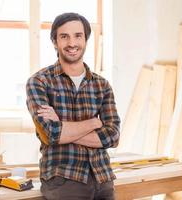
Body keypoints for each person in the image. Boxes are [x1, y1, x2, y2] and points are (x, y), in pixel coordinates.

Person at [26, 12, 120, 200]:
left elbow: (113, 136)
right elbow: (51, 133)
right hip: (63, 179)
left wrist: (63, 127)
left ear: (85, 40)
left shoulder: (102, 85)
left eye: (78, 36)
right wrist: (94, 123)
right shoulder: (39, 82)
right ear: (55, 41)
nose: (72, 43)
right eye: (64, 36)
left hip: (103, 177)